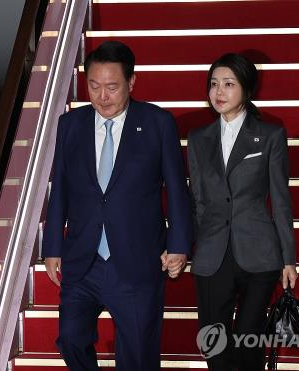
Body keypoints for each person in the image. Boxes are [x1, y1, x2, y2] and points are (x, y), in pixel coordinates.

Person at [42, 40, 193, 371]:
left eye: (112, 86)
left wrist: (179, 245)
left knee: (138, 355)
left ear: (132, 82)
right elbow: (61, 188)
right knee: (70, 338)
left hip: (137, 261)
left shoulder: (157, 123)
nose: (102, 96)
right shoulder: (71, 125)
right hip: (83, 259)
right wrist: (52, 247)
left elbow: (177, 191)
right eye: (94, 86)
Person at [187, 53, 298, 370]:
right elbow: (198, 200)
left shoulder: (271, 135)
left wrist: (288, 257)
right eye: (213, 84)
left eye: (228, 84)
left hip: (258, 253)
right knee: (214, 345)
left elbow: (280, 200)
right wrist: (192, 246)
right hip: (212, 254)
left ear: (247, 90)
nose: (218, 92)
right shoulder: (198, 139)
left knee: (249, 343)